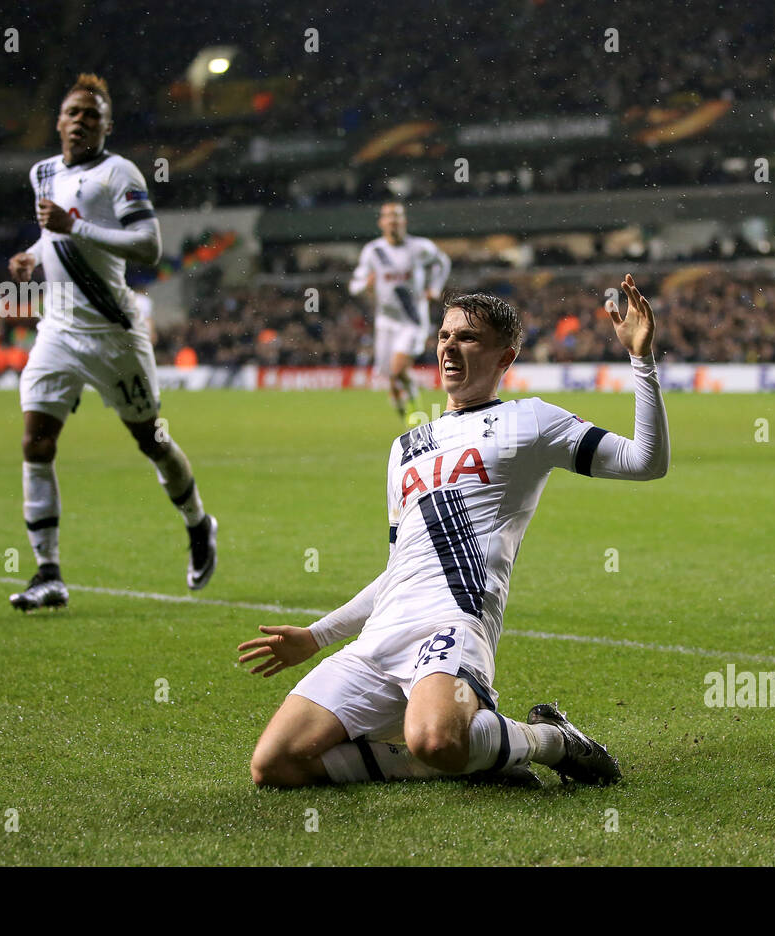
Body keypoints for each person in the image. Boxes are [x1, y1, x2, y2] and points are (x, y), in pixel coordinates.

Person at [240, 275, 669, 788]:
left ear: (505, 358)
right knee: (274, 765)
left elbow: (646, 461)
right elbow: (399, 569)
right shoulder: (405, 448)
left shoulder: (531, 421)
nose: (450, 347)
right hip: (382, 635)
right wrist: (317, 635)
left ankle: (553, 741)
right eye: (445, 336)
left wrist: (641, 360)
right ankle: (472, 757)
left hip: (453, 623)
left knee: (437, 738)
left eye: (468, 338)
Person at [6, 73, 216, 611]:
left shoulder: (118, 172)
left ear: (106, 126)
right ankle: (47, 572)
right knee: (36, 443)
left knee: (151, 440)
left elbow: (148, 246)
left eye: (92, 115)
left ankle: (198, 524)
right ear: (58, 121)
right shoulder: (43, 172)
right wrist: (34, 253)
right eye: (73, 112)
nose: (81, 122)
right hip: (57, 329)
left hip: (113, 333)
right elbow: (52, 232)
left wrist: (73, 228)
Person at [350, 202, 451, 425]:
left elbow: (442, 262)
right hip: (385, 321)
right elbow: (355, 283)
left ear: (404, 221)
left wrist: (434, 288)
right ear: (381, 222)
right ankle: (402, 408)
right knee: (390, 377)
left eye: (397, 216)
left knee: (397, 370)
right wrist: (364, 286)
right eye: (388, 216)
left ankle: (415, 410)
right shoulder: (373, 251)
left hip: (412, 319)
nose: (393, 221)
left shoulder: (419, 247)